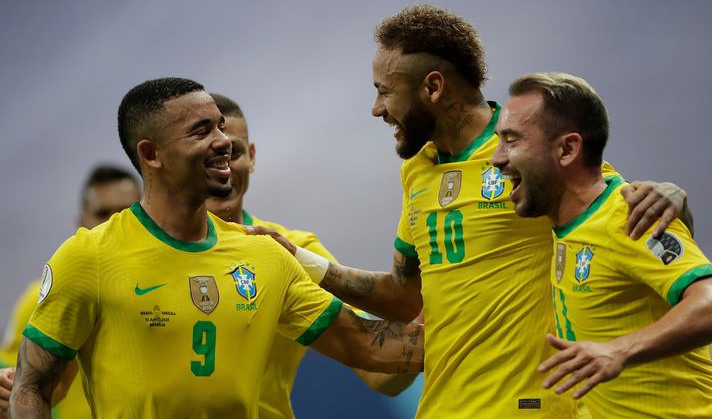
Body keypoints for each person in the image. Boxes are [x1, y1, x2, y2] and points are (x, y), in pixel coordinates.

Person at [269, 5, 691, 418]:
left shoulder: (529, 152)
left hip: (529, 409)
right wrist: (299, 261)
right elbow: (405, 295)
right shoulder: (418, 171)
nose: (376, 108)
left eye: (385, 90)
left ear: (433, 87)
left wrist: (674, 200)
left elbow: (622, 213)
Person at [9, 77, 423, 418]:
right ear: (151, 154)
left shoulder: (267, 255)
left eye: (222, 127)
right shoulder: (89, 258)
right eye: (202, 131)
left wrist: (458, 307)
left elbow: (366, 346)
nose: (223, 142)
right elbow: (33, 389)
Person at [490, 72, 712, 418]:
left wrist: (618, 350)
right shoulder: (567, 222)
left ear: (567, 149)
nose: (497, 158)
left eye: (512, 141)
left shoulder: (629, 216)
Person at [207, 92, 419, 419]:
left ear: (251, 156)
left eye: (232, 153)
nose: (223, 169)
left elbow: (378, 371)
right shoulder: (135, 249)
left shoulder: (293, 252)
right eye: (210, 157)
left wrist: (442, 307)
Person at [0, 164, 141, 419]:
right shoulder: (42, 298)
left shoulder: (178, 285)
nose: (113, 224)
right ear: (81, 223)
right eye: (102, 214)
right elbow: (16, 385)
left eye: (125, 213)